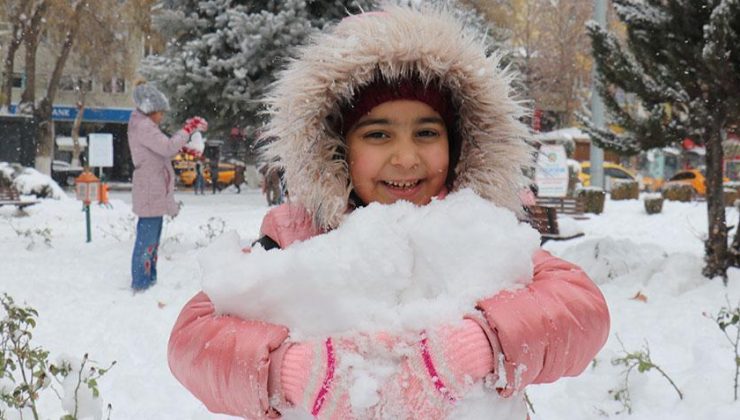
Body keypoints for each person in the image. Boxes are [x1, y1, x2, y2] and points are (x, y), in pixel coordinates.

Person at [168, 5, 609, 419]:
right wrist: (289, 369)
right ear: (336, 149)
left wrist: (479, 344)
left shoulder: (480, 231)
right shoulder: (293, 238)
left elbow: (580, 310)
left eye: (426, 132)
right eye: (378, 135)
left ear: (457, 145)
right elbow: (193, 341)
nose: (405, 158)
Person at [128, 80, 207, 291]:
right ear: (150, 109)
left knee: (151, 241)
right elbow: (166, 147)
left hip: (152, 189)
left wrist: (185, 148)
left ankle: (147, 279)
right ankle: (142, 283)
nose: (162, 117)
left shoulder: (142, 125)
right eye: (160, 112)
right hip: (150, 190)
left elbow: (161, 150)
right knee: (147, 242)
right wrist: (188, 130)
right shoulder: (144, 126)